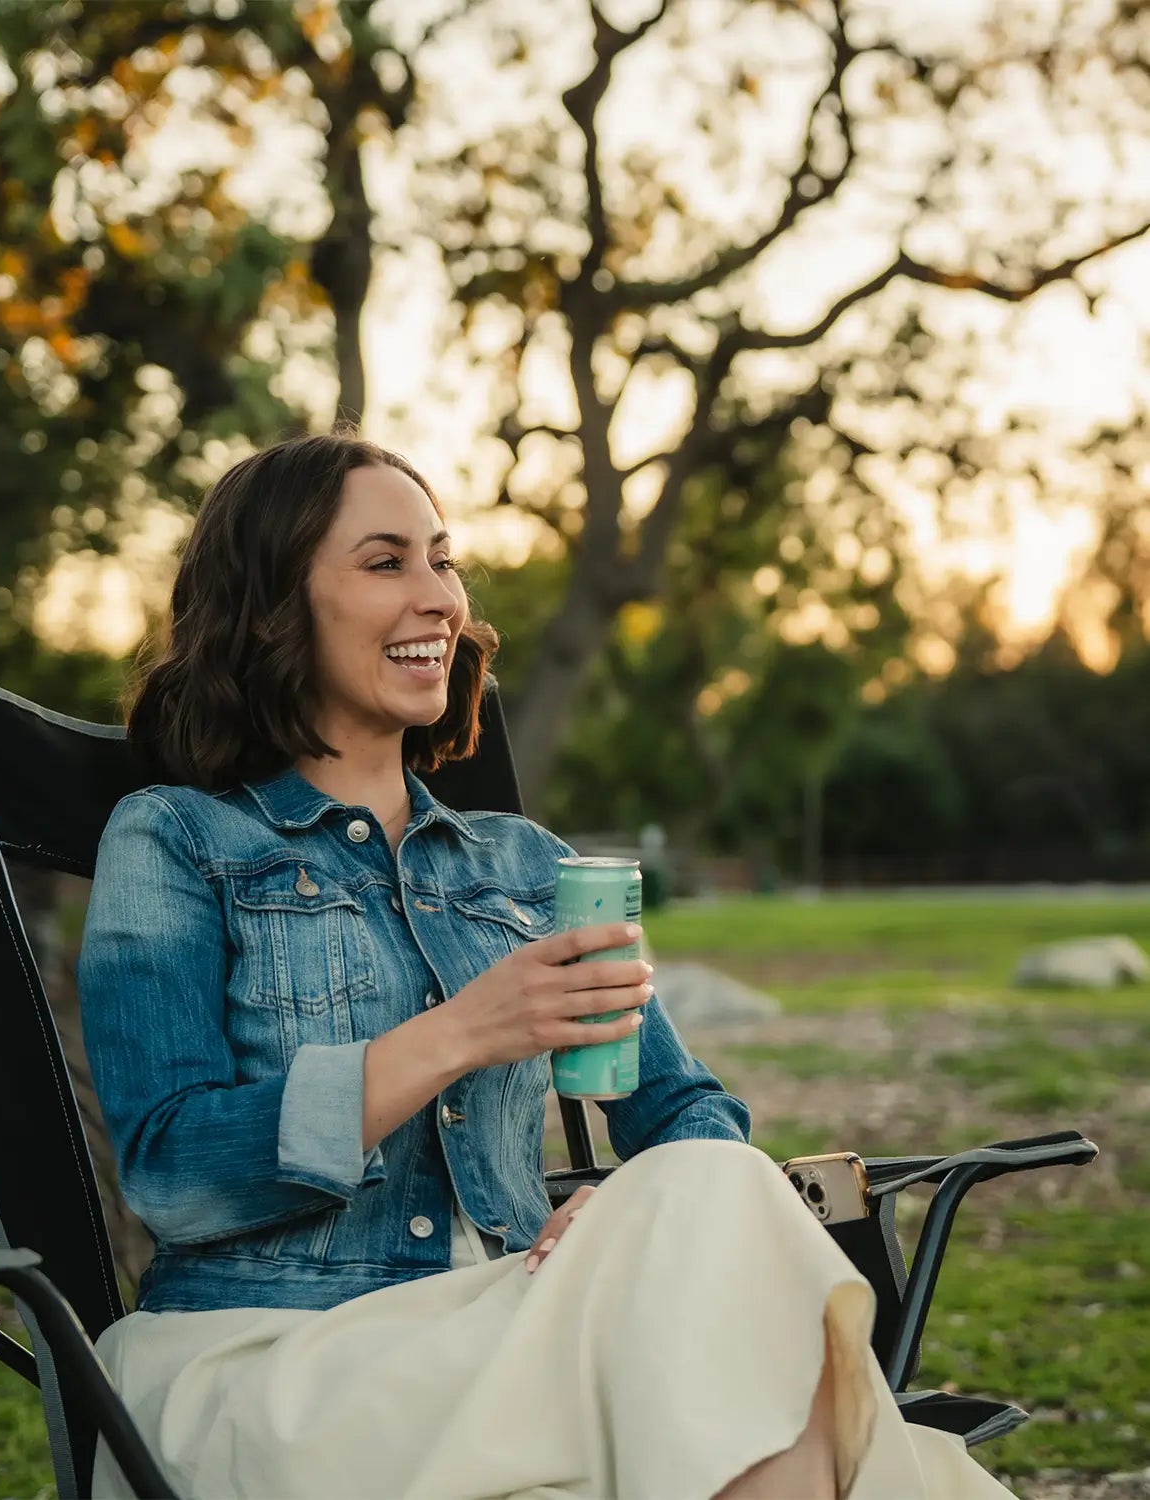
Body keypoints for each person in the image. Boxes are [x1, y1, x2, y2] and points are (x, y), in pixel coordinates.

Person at [77, 432, 1011, 1499]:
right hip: (279, 1356)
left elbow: (692, 1116)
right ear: (270, 609)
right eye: (386, 563)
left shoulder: (529, 871)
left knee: (712, 1181)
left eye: (443, 558)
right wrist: (464, 1031)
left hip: (510, 1326)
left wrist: (616, 1217)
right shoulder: (175, 840)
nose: (439, 598)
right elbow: (171, 1169)